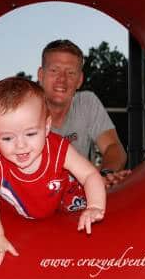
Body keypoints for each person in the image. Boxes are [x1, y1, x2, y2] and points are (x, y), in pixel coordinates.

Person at [0, 77, 106, 265]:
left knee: (78, 197)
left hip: (62, 195)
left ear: (46, 127)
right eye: (7, 138)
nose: (21, 145)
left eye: (30, 134)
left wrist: (95, 206)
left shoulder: (59, 148)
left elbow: (90, 174)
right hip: (21, 208)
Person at [37, 39, 131, 188]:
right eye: (54, 70)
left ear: (79, 80)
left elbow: (113, 147)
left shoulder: (86, 102)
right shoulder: (25, 107)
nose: (62, 79)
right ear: (41, 75)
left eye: (70, 73)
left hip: (81, 196)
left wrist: (104, 176)